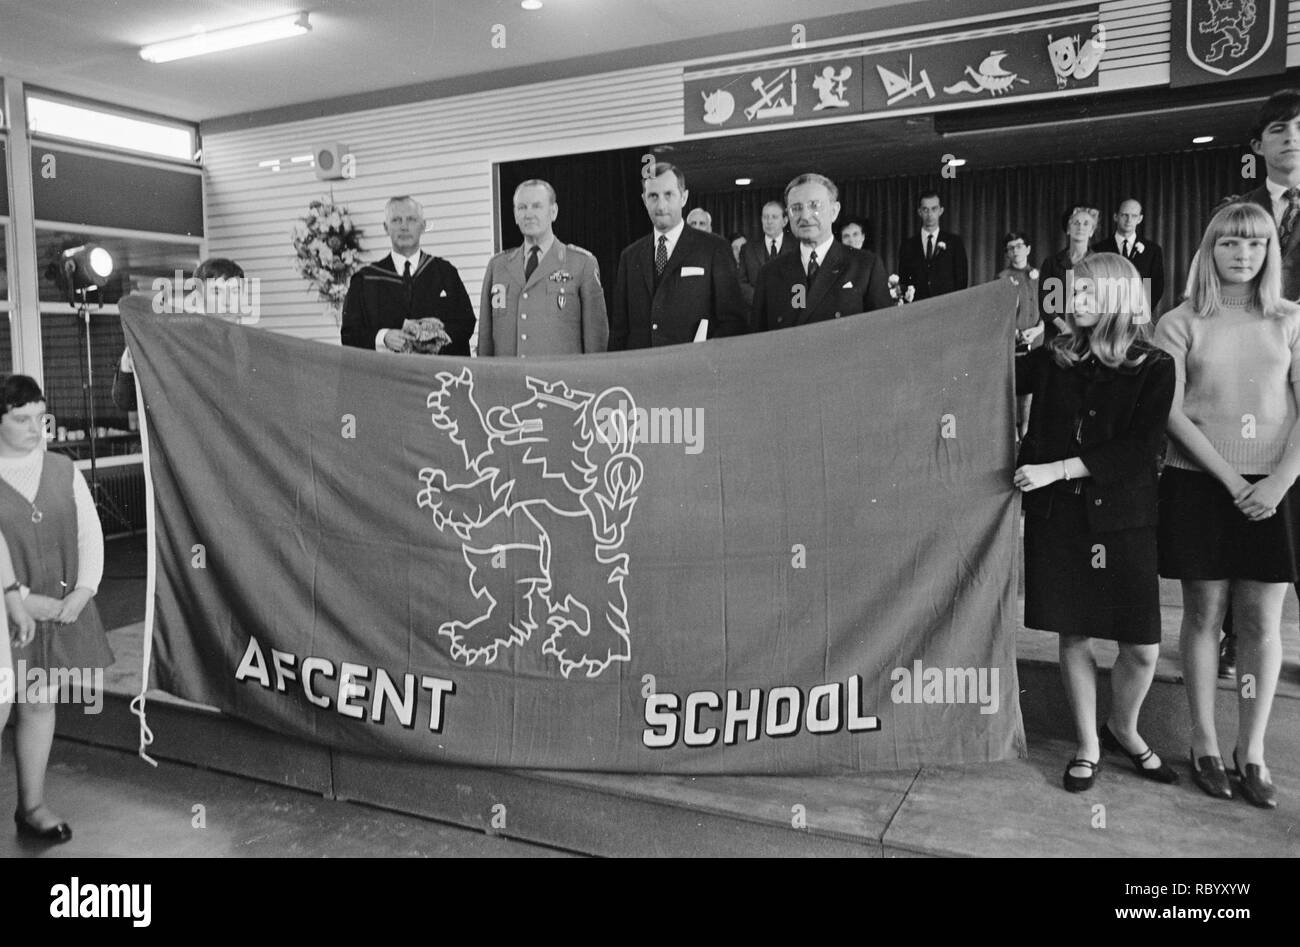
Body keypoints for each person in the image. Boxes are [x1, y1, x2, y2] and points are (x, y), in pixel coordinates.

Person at [1153, 201, 1300, 809]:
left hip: (1277, 488)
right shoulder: (1179, 321)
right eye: (1230, 245)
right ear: (1208, 251)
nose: (1243, 255)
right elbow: (1169, 410)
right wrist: (1228, 479)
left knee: (1263, 623)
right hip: (1199, 484)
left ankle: (1253, 750)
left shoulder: (1291, 319)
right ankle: (1206, 744)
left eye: (1256, 245)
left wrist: (1275, 483)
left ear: (1270, 253)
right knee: (1204, 617)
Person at [1014, 253, 1176, 793]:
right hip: (1060, 519)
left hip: (1123, 518)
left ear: (1117, 297)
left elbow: (1138, 448)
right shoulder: (1054, 355)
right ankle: (1087, 744)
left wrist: (1054, 469)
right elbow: (992, 373)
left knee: (1142, 646)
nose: (1073, 302)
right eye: (1070, 293)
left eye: (1086, 293)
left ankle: (1122, 728)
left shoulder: (1154, 365)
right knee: (1074, 632)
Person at [0, 374, 110, 842]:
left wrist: (83, 592)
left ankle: (32, 805)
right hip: (8, 618)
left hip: (59, 612)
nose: (33, 428)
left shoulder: (64, 469)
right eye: (20, 419)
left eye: (40, 419)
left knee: (39, 703)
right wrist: (21, 600)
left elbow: (90, 534)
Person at [1221, 89, 1300, 678]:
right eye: (1278, 129)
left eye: (1299, 127)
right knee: (1248, 508)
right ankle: (1232, 639)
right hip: (1257, 375)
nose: (1291, 137)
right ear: (1258, 145)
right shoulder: (1239, 210)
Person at [609, 163, 747, 350]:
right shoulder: (630, 256)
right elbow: (620, 332)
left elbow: (733, 322)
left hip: (694, 371)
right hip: (642, 372)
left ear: (683, 197)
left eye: (668, 195)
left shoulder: (714, 248)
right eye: (653, 196)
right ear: (644, 200)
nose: (661, 205)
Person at [478, 180, 607, 357]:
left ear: (553, 212)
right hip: (509, 381)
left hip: (558, 382)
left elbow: (596, 343)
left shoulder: (582, 264)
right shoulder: (497, 266)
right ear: (515, 215)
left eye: (537, 206)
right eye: (522, 207)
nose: (528, 214)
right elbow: (485, 340)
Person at [752, 173, 891, 331]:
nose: (805, 216)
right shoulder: (770, 273)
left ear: (834, 211)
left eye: (814, 205)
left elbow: (884, 333)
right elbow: (759, 342)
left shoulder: (865, 266)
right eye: (796, 208)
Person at [340, 196, 475, 355]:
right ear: (386, 227)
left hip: (436, 374)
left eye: (411, 219)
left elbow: (466, 324)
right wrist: (383, 337)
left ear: (423, 226)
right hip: (387, 373)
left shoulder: (445, 273)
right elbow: (349, 335)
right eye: (396, 220)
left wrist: (434, 336)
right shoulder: (365, 280)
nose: (404, 227)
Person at [114, 256, 247, 412]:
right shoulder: (179, 341)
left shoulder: (250, 345)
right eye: (217, 292)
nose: (228, 300)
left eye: (235, 291)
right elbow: (128, 401)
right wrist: (128, 361)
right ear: (198, 298)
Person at [996, 231, 1043, 435]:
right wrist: (1014, 331)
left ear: (1028, 249)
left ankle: (1026, 430)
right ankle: (1014, 433)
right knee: (1015, 385)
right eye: (1011, 248)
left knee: (1033, 389)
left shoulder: (1039, 275)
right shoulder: (1002, 278)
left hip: (1037, 338)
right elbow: (999, 310)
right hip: (1012, 340)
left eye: (1019, 246)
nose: (1016, 251)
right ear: (1007, 253)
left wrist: (1039, 328)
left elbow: (1049, 308)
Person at [1038, 206, 1099, 343]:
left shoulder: (1099, 263)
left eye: (1086, 224)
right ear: (1068, 229)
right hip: (1057, 333)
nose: (1080, 227)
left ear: (1091, 232)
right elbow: (1045, 302)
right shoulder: (1051, 263)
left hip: (1089, 334)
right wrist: (1064, 327)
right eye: (1076, 223)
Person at [1094, 199, 1166, 313]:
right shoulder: (1098, 249)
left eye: (1134, 216)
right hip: (1106, 316)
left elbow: (1156, 285)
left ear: (1140, 219)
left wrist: (1142, 310)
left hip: (1139, 315)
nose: (1129, 220)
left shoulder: (1153, 250)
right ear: (1115, 217)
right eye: (1124, 215)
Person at [895, 190, 969, 301]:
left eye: (934, 209)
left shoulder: (954, 242)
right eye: (925, 210)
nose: (930, 214)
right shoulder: (908, 245)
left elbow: (961, 280)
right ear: (919, 212)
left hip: (946, 307)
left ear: (941, 211)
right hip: (917, 308)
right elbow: (904, 281)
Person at [738, 200, 795, 306]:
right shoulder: (747, 249)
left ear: (785, 221)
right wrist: (762, 301)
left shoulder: (797, 247)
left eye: (774, 217)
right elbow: (741, 283)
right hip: (757, 313)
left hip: (790, 313)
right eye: (765, 217)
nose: (769, 221)